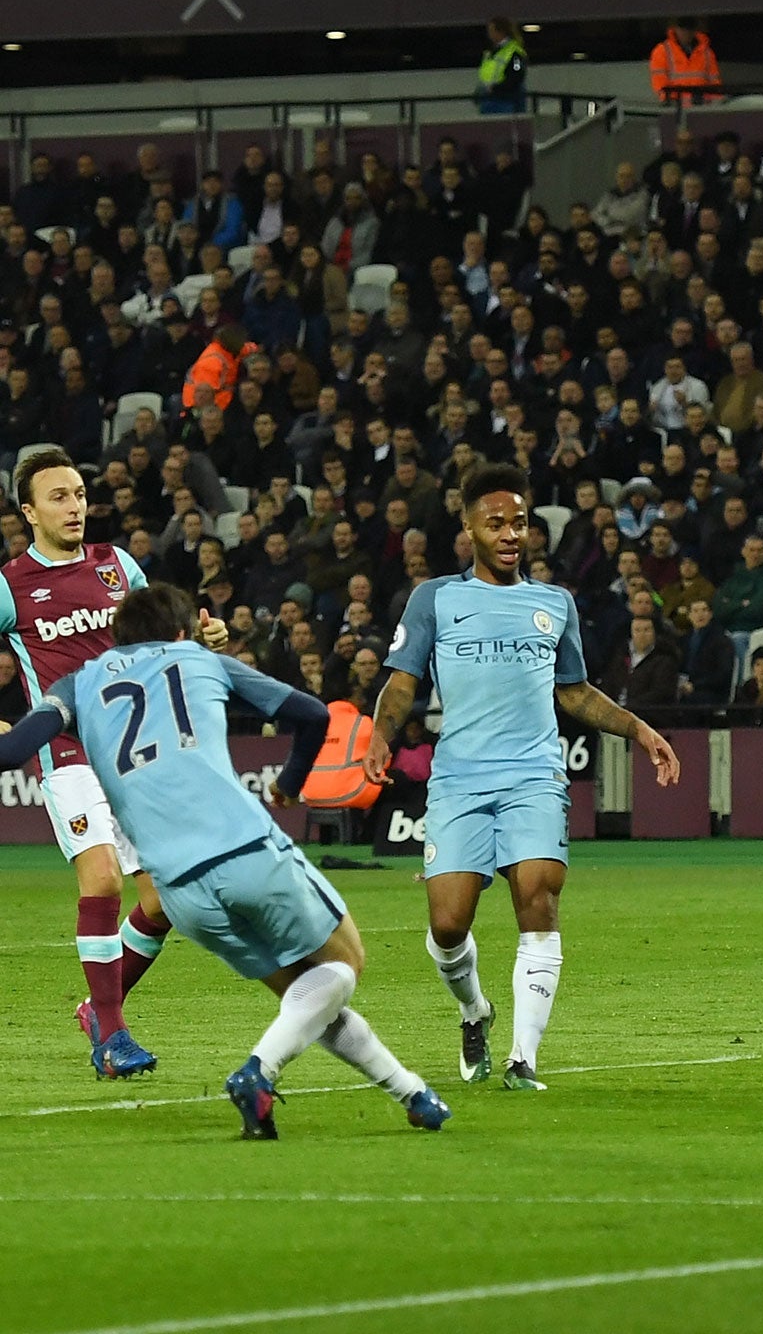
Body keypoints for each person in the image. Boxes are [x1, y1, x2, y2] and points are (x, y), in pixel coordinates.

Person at [0, 583, 448, 1138]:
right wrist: (287, 783)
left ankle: (412, 1093)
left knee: (303, 997)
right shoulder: (198, 659)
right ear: (183, 631)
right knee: (344, 963)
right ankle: (258, 1071)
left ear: (117, 636)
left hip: (179, 893)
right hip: (245, 852)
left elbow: (12, 751)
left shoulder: (78, 684)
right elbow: (311, 715)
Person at [364, 464, 681, 1091]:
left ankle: (522, 1058)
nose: (512, 534)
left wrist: (638, 730)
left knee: (539, 899)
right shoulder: (435, 598)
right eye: (497, 523)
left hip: (535, 775)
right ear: (469, 529)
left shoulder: (553, 604)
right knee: (448, 924)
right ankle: (474, 1011)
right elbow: (403, 683)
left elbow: (575, 694)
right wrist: (380, 732)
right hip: (458, 779)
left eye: (521, 523)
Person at [0, 448, 230, 1076]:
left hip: (134, 752)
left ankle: (99, 1008)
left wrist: (203, 637)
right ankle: (113, 1038)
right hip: (68, 752)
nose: (74, 506)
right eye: (58, 497)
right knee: (101, 881)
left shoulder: (116, 565)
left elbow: (161, 636)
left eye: (78, 494)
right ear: (28, 512)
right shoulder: (10, 584)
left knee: (166, 901)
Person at [647, 18, 721, 106]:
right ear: (676, 29)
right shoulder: (662, 51)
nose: (686, 33)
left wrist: (714, 104)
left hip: (701, 108)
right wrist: (669, 101)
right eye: (682, 29)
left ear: (694, 31)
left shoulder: (707, 53)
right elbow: (659, 83)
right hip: (675, 109)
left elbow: (715, 84)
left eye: (689, 29)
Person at [474, 17, 527, 114]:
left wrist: (495, 88)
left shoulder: (515, 53)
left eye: (491, 30)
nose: (489, 34)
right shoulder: (490, 53)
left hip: (505, 101)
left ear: (500, 32)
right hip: (488, 100)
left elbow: (517, 75)